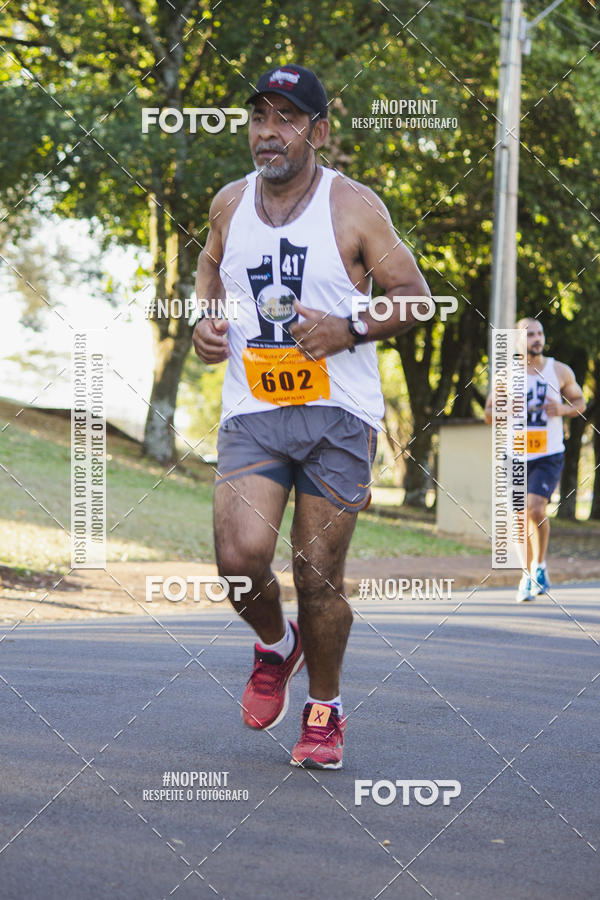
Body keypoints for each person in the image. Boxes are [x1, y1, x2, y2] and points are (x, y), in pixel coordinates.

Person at [192, 64, 429, 769]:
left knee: (316, 571)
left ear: (319, 131)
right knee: (238, 562)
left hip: (336, 414)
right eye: (259, 117)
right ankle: (274, 645)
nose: (269, 133)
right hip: (254, 408)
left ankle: (323, 709)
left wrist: (348, 327)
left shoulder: (353, 207)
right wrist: (208, 318)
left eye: (287, 119)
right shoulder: (228, 205)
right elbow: (210, 270)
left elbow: (414, 298)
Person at [485, 317, 585, 602]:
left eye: (540, 333)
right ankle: (528, 575)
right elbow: (488, 415)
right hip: (514, 453)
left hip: (548, 452)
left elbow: (580, 403)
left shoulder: (559, 370)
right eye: (530, 335)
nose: (537, 339)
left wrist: (561, 409)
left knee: (535, 509)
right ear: (519, 341)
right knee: (519, 517)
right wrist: (503, 408)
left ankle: (539, 565)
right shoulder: (505, 376)